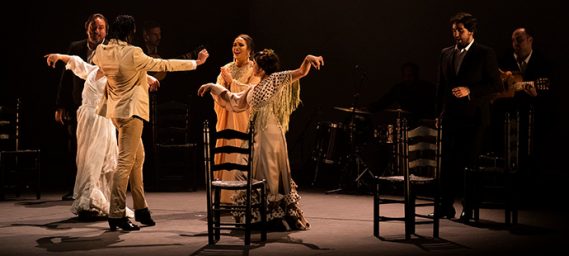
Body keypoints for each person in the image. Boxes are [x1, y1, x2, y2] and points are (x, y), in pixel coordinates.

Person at [93, 14, 209, 231]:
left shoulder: (102, 51)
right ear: (129, 33)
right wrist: (196, 63)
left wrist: (140, 76)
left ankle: (141, 208)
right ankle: (116, 213)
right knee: (125, 163)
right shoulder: (133, 53)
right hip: (132, 113)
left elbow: (99, 66)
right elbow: (164, 64)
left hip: (116, 112)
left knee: (138, 158)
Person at [198, 49, 324, 231]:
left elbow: (300, 72)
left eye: (256, 64)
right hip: (256, 134)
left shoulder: (276, 79)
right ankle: (259, 215)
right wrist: (213, 86)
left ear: (263, 68)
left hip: (270, 136)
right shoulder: (255, 88)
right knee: (248, 171)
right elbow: (235, 100)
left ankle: (274, 215)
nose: (253, 67)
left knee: (270, 173)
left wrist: (307, 59)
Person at [45, 54, 159, 219]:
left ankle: (96, 199)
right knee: (86, 158)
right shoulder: (92, 71)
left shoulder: (113, 75)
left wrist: (149, 78)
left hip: (100, 120)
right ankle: (89, 200)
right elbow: (76, 62)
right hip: (87, 120)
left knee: (99, 159)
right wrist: (58, 57)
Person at [435, 12, 502, 222]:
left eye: (460, 30)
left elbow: (496, 85)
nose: (456, 34)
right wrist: (438, 113)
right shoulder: (446, 53)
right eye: (453, 30)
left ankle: (469, 207)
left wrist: (469, 90)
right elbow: (441, 88)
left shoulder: (484, 53)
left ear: (471, 31)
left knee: (469, 164)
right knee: (447, 163)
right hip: (451, 117)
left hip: (474, 118)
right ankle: (445, 206)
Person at [493, 27, 552, 197]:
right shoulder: (504, 60)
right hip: (507, 116)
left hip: (530, 119)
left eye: (519, 40)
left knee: (529, 154)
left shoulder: (542, 62)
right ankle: (506, 191)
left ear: (530, 40)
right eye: (513, 40)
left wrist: (536, 94)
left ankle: (528, 192)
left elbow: (547, 91)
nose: (515, 44)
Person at [55, 13, 108, 201]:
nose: (97, 31)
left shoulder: (110, 49)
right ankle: (77, 187)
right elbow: (66, 79)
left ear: (106, 30)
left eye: (100, 28)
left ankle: (99, 188)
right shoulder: (76, 48)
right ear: (87, 28)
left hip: (104, 109)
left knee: (101, 149)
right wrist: (60, 106)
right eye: (93, 27)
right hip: (80, 106)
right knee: (77, 148)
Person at [211, 34, 260, 204]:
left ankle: (243, 197)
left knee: (242, 154)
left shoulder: (255, 69)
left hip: (244, 119)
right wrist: (223, 85)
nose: (236, 48)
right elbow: (217, 92)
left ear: (250, 50)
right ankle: (226, 198)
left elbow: (252, 92)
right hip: (227, 117)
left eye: (241, 45)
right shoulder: (226, 68)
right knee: (228, 153)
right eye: (234, 44)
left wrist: (231, 82)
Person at [368, 61, 437, 127]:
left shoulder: (428, 88)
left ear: (416, 75)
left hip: (426, 125)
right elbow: (384, 101)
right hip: (407, 125)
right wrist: (369, 108)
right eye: (405, 76)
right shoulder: (399, 89)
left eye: (410, 75)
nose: (407, 79)